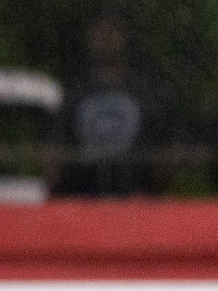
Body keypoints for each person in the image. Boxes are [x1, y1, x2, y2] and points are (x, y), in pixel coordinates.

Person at [51, 12, 173, 197]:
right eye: (100, 31)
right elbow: (58, 148)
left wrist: (154, 193)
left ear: (123, 37)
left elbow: (161, 148)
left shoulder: (143, 93)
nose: (106, 38)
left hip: (134, 199)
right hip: (84, 199)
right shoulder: (77, 93)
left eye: (112, 31)